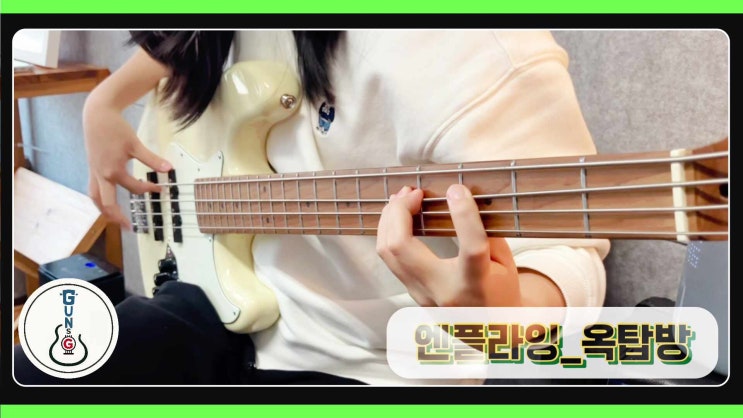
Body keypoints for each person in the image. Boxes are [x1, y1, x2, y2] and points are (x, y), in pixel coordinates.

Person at [14, 30, 610, 385]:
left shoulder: (473, 46)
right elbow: (189, 38)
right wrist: (104, 101)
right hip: (214, 295)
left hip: (364, 362)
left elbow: (572, 251)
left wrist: (508, 315)